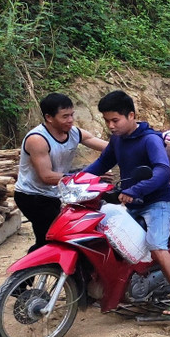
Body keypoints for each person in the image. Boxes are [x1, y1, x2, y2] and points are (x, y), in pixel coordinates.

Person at [82, 90, 170, 316]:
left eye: (115, 120)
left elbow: (163, 171)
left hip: (157, 202)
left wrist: (136, 190)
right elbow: (101, 164)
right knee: (109, 238)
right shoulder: (118, 140)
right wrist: (75, 180)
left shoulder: (150, 140)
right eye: (106, 120)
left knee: (156, 247)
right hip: (131, 201)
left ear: (131, 115)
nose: (110, 125)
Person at [15, 93, 108, 253]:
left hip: (53, 194)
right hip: (32, 197)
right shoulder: (38, 139)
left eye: (72, 115)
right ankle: (24, 276)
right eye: (65, 116)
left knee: (55, 238)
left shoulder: (73, 132)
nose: (70, 120)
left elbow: (108, 147)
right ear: (49, 117)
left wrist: (132, 146)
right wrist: (85, 178)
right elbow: (47, 176)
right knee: (50, 242)